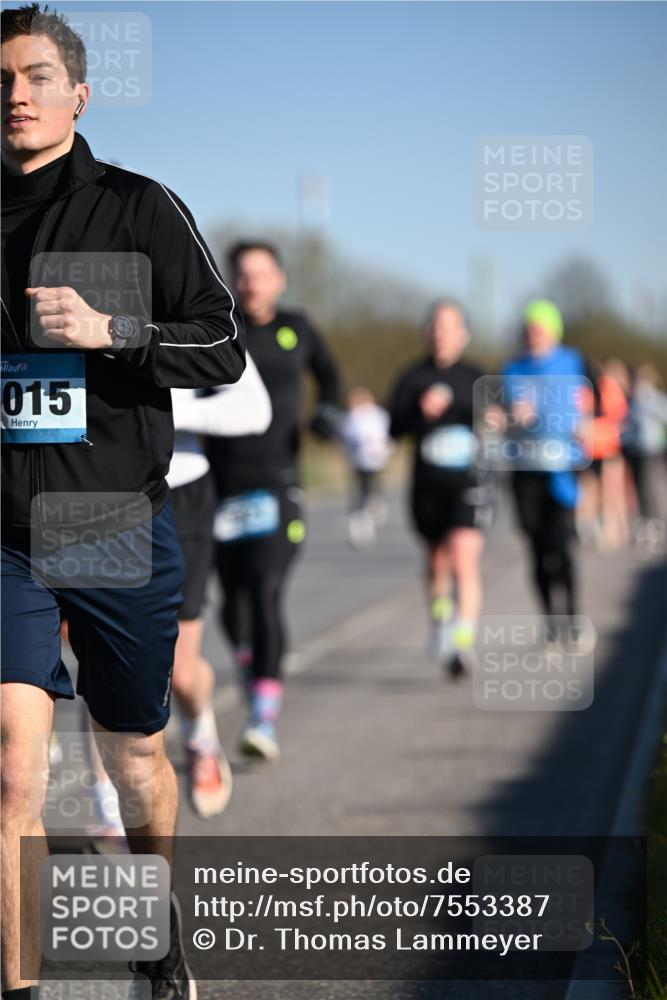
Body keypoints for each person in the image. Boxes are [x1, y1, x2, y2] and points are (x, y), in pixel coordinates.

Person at [1, 6, 245, 999]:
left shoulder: (138, 208)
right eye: (0, 80)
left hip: (112, 525)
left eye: (35, 77)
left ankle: (157, 932)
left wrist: (114, 330)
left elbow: (222, 348)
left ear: (79, 94)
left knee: (135, 756)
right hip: (5, 536)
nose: (16, 95)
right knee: (12, 770)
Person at [206, 240, 340, 761]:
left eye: (261, 274)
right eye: (242, 274)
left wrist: (327, 412)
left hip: (278, 482)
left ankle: (263, 714)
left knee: (265, 591)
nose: (251, 284)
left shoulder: (298, 328)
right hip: (220, 486)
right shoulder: (217, 328)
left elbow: (329, 376)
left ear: (279, 280)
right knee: (232, 605)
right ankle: (249, 661)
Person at [168, 358, 271, 817]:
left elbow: (255, 409)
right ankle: (108, 812)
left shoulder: (185, 313)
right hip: (85, 489)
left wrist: (166, 412)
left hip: (179, 492)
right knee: (100, 658)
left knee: (178, 671)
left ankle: (200, 733)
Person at [388, 300, 491, 679]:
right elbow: (393, 428)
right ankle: (440, 624)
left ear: (463, 334)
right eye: (435, 325)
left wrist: (492, 418)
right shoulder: (412, 377)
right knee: (436, 562)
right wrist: (420, 411)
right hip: (427, 484)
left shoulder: (477, 377)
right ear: (426, 332)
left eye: (449, 326)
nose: (441, 333)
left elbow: (500, 420)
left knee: (463, 558)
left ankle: (462, 643)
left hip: (468, 483)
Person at [501, 300, 588, 643]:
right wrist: (510, 418)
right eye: (529, 329)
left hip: (562, 469)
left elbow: (593, 404)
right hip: (525, 470)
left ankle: (573, 616)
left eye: (540, 329)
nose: (534, 335)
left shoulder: (573, 362)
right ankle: (550, 621)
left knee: (562, 547)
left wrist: (586, 423)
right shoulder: (511, 370)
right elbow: (496, 418)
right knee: (536, 550)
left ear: (554, 331)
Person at [339, 386, 392, 547]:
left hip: (372, 458)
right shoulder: (353, 417)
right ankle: (364, 517)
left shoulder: (375, 415)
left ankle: (374, 504)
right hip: (361, 460)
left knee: (370, 487)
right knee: (364, 490)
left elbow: (386, 434)